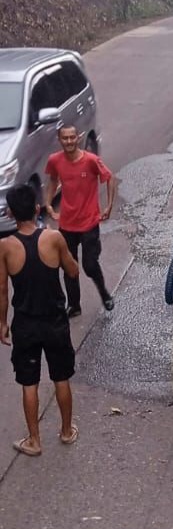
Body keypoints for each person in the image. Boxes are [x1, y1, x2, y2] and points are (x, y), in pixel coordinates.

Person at [0, 184, 80, 456]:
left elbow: (2, 290)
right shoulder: (53, 237)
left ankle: (34, 441)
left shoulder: (5, 246)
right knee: (61, 378)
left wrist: (2, 323)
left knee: (29, 382)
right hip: (55, 322)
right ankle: (67, 431)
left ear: (10, 212)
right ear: (36, 209)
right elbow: (72, 270)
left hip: (25, 325)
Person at [44, 125, 117, 316]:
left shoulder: (91, 160)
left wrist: (108, 206)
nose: (69, 141)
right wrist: (48, 204)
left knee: (90, 265)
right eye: (65, 138)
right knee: (69, 266)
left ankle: (105, 294)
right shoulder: (55, 160)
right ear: (60, 140)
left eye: (72, 137)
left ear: (79, 138)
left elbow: (109, 178)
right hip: (67, 224)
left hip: (89, 223)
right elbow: (53, 180)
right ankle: (74, 305)